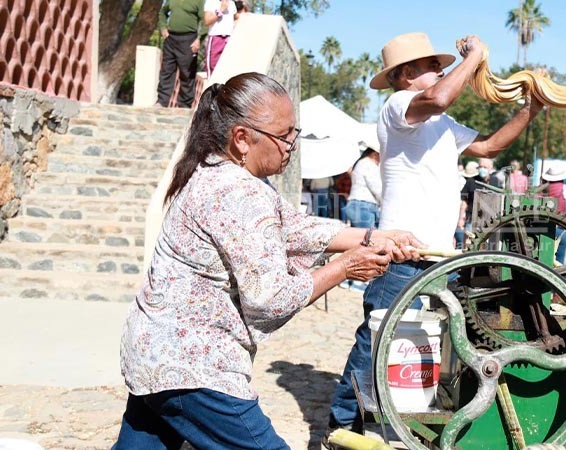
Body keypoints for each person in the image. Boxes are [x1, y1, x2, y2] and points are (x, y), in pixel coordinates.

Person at [112, 73, 423, 449]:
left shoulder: (222, 171)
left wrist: (374, 237)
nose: (292, 145)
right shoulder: (237, 192)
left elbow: (291, 229)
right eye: (284, 135)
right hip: (191, 367)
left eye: (295, 132)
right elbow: (270, 298)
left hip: (153, 353)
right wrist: (344, 268)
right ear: (242, 137)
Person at [325, 32, 544, 438]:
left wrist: (531, 110)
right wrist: (476, 56)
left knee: (419, 345)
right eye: (432, 66)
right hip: (401, 258)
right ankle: (340, 431)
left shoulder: (444, 125)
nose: (441, 70)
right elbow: (441, 97)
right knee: (373, 346)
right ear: (407, 74)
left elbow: (491, 147)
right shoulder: (397, 106)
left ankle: (396, 424)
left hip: (437, 257)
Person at [340, 145, 383, 292]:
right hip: (363, 206)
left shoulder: (363, 163)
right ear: (375, 153)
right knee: (366, 245)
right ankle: (356, 279)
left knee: (359, 244)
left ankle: (350, 280)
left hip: (361, 206)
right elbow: (377, 188)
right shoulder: (368, 165)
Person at [157, 0, 206, 108]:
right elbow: (162, 12)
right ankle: (161, 101)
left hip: (188, 39)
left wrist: (199, 39)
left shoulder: (199, 1)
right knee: (166, 71)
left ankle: (185, 105)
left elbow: (204, 20)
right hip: (171, 39)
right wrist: (163, 27)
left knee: (187, 73)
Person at [203, 0, 245, 78]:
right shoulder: (210, 2)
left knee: (228, 67)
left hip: (229, 38)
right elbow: (207, 21)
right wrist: (221, 10)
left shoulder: (231, 3)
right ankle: (212, 88)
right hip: (215, 37)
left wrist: (245, 15)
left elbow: (235, 17)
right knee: (212, 66)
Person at [539, 166, 566, 264]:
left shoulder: (541, 189)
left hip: (544, 229)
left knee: (543, 260)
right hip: (561, 229)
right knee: (559, 262)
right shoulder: (565, 189)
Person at [456, 160, 481, 249]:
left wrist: (460, 219)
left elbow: (464, 202)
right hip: (483, 218)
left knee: (467, 242)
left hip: (471, 217)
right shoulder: (484, 181)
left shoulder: (470, 182)